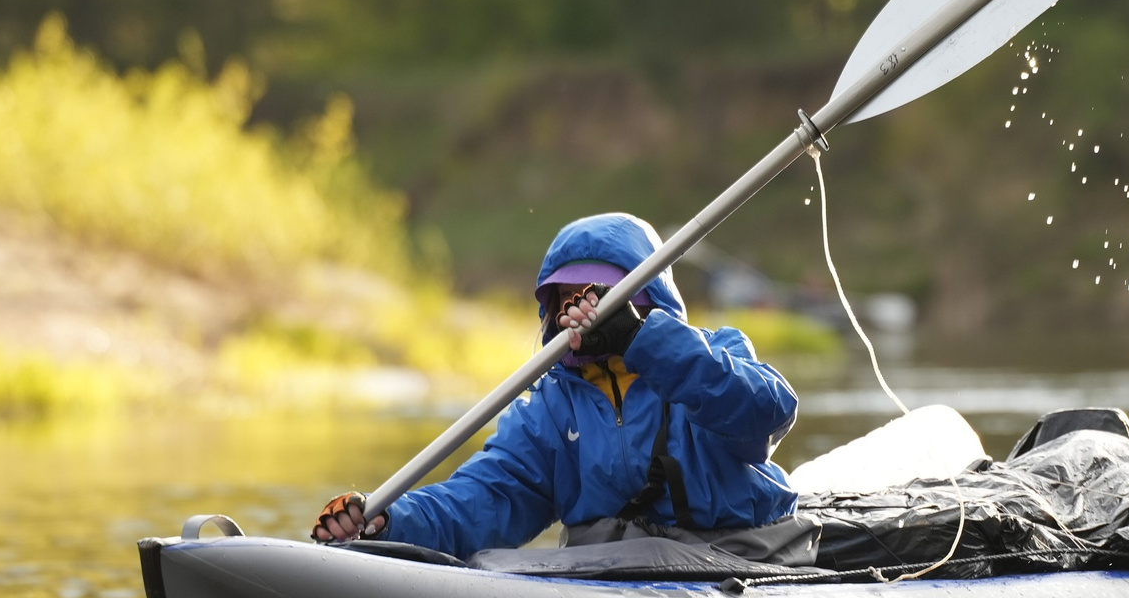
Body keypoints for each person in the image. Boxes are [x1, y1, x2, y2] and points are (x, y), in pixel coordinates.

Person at [309, 213, 802, 559]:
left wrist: (643, 340)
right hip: (620, 576)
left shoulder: (713, 352)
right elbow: (483, 499)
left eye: (598, 294)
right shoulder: (548, 408)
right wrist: (390, 521)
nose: (580, 309)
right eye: (567, 297)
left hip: (739, 560)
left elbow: (768, 414)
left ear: (644, 295)